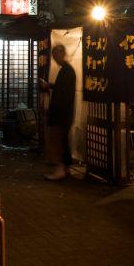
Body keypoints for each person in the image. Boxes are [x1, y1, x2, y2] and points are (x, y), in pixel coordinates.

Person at [39, 44, 76, 180]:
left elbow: (63, 94)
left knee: (58, 141)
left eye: (56, 55)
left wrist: (53, 110)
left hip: (61, 113)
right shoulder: (67, 70)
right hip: (64, 113)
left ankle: (60, 169)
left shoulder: (67, 71)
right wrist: (50, 85)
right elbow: (62, 89)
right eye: (53, 56)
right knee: (63, 141)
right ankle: (65, 169)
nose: (55, 59)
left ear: (62, 54)